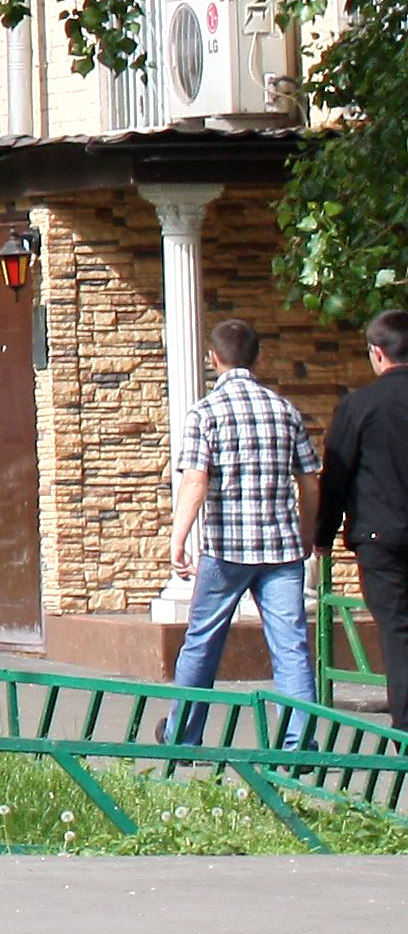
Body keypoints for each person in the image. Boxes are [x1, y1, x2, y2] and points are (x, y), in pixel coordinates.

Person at [168, 315, 322, 746]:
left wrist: (178, 538)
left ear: (212, 358)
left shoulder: (205, 412)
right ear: (258, 357)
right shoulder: (284, 410)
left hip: (225, 550)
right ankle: (299, 742)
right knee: (290, 646)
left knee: (202, 642)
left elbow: (196, 481)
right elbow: (310, 481)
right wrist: (306, 534)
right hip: (281, 549)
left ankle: (184, 736)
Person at [316, 308, 408, 721]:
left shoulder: (359, 406)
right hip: (383, 536)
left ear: (377, 352)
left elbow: (337, 474)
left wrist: (322, 533)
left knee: (398, 632)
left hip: (380, 538)